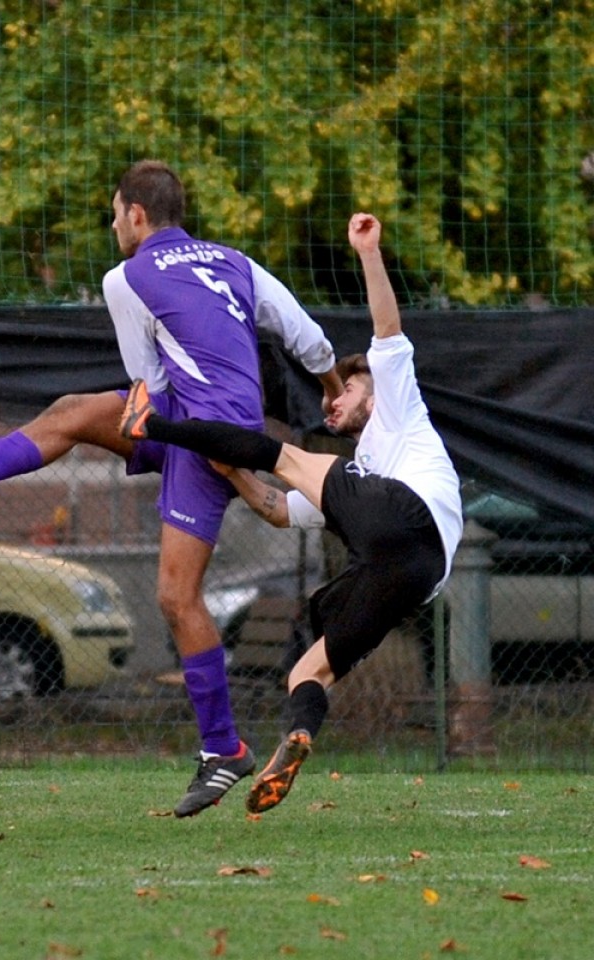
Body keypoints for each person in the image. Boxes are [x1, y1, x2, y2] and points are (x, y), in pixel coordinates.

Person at [0, 160, 343, 816]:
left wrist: (147, 422)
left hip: (198, 432)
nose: (112, 223)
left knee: (177, 598)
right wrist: (330, 390)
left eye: (113, 211)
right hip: (229, 422)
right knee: (73, 412)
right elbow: (308, 337)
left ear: (137, 216)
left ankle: (224, 749)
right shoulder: (234, 260)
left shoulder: (127, 277)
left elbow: (144, 381)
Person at [119, 212, 463, 813]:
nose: (338, 400)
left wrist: (368, 251)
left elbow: (386, 323)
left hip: (410, 517)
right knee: (308, 670)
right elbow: (279, 510)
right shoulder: (355, 476)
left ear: (373, 390)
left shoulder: (398, 404)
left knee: (286, 454)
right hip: (416, 574)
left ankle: (158, 425)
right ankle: (299, 736)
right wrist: (236, 478)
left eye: (347, 391)